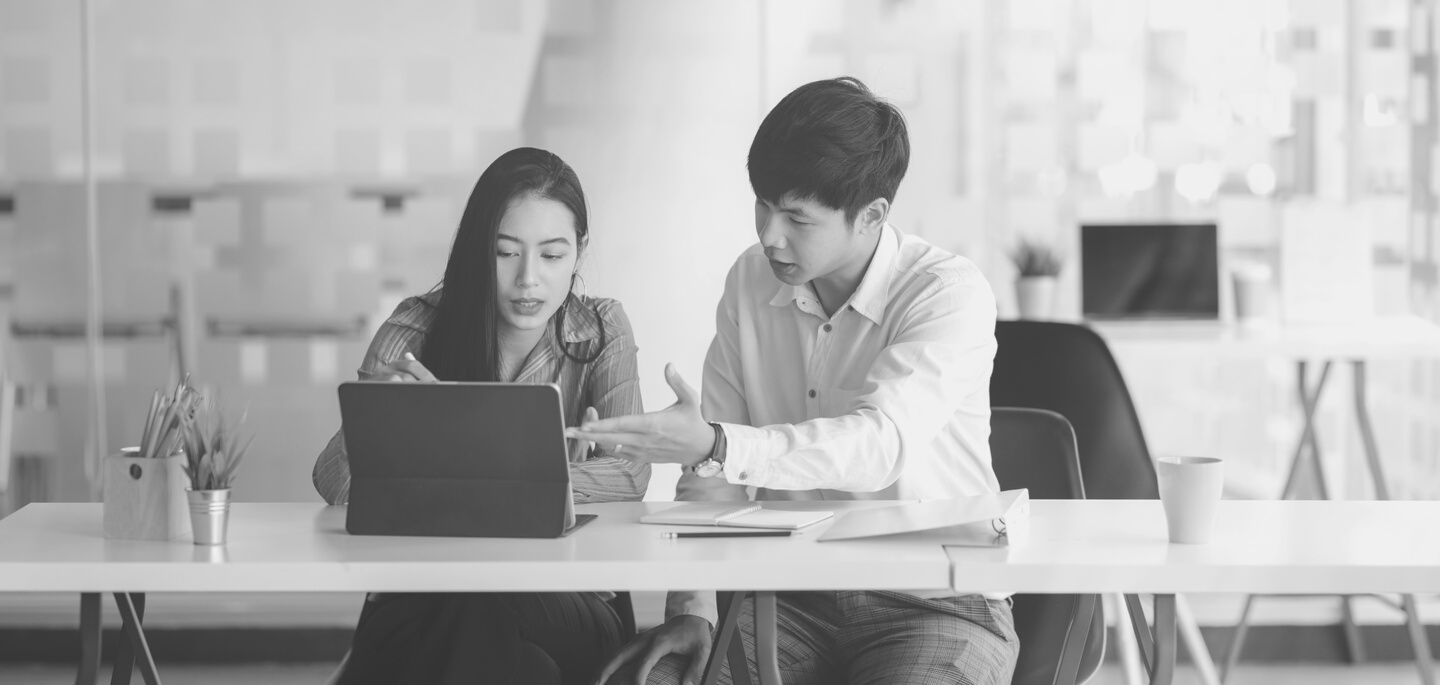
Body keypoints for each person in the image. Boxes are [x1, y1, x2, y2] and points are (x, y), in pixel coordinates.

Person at [570, 77, 1017, 685]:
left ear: (871, 216)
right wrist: (694, 609)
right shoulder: (751, 283)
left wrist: (720, 444)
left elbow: (878, 445)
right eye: (763, 204)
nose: (768, 234)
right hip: (784, 600)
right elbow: (713, 483)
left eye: (796, 218)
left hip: (935, 598)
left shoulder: (946, 294)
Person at [313, 147, 649, 685]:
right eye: (505, 252)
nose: (528, 281)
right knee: (519, 664)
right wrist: (391, 418)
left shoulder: (603, 329)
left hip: (568, 602)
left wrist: (453, 472)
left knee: (477, 599)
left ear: (580, 251)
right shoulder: (418, 329)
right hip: (426, 599)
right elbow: (334, 478)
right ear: (477, 250)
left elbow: (630, 473)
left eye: (552, 255)